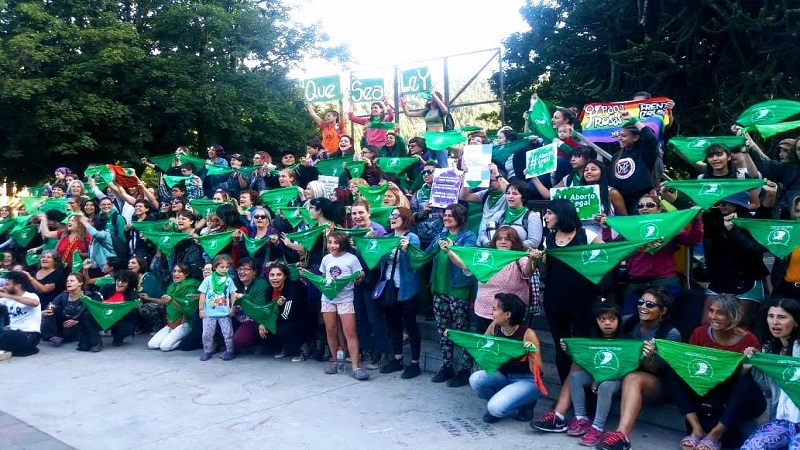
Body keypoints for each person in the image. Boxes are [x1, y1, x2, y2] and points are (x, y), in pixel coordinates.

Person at [666, 294, 764, 450]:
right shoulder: (699, 333)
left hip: (731, 390)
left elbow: (749, 380)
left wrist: (746, 366)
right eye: (711, 311)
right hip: (704, 385)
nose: (713, 316)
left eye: (720, 313)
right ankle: (696, 428)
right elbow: (690, 367)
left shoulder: (749, 340)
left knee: (745, 384)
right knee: (671, 372)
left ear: (735, 316)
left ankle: (715, 434)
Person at [593, 288, 681, 450]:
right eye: (640, 302)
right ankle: (559, 414)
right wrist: (599, 374)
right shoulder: (627, 321)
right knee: (578, 365)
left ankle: (622, 437)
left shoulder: (670, 334)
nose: (643, 307)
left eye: (650, 304)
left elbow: (659, 371)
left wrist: (647, 359)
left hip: (657, 384)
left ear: (663, 311)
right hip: (623, 374)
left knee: (634, 377)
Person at [529, 199, 603, 384]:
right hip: (556, 300)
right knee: (560, 346)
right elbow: (546, 270)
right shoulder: (548, 239)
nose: (545, 217)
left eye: (549, 213)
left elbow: (605, 258)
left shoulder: (587, 235)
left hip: (582, 300)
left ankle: (584, 392)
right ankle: (565, 389)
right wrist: (537, 260)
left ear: (561, 214)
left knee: (581, 346)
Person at [613, 192, 703, 316]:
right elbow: (614, 250)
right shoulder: (630, 227)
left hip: (664, 284)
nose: (644, 208)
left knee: (662, 322)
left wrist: (697, 220)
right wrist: (605, 228)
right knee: (627, 320)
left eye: (649, 205)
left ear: (659, 208)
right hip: (636, 284)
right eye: (640, 206)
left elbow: (693, 240)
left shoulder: (669, 225)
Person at [556, 302, 625, 446]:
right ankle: (581, 418)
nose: (607, 323)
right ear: (596, 321)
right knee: (576, 377)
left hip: (617, 378)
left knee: (605, 386)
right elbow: (586, 359)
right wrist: (569, 349)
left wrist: (600, 379)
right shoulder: (592, 339)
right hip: (596, 374)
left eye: (612, 319)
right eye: (602, 319)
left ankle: (597, 427)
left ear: (619, 320)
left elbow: (627, 366)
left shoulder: (627, 340)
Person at [468, 293, 543, 423]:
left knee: (495, 409)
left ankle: (525, 403)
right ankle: (507, 402)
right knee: (476, 379)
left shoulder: (528, 334)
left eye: (495, 309)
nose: (492, 312)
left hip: (527, 380)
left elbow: (538, 370)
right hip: (503, 376)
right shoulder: (494, 327)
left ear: (507, 314)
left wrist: (531, 352)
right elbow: (482, 348)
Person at [427, 203, 478, 387]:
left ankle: (465, 369)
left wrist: (452, 247)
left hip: (458, 290)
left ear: (460, 218)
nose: (446, 217)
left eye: (450, 215)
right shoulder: (441, 234)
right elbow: (425, 254)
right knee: (443, 330)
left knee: (461, 330)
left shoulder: (469, 236)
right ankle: (447, 366)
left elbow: (466, 260)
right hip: (439, 290)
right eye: (445, 215)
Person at [741, 297, 800, 449]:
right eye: (771, 316)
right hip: (781, 422)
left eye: (782, 317)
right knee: (751, 447)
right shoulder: (768, 349)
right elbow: (767, 389)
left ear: (796, 322)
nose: (774, 322)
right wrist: (753, 365)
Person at [313, 232, 368, 380]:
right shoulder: (326, 258)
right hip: (328, 299)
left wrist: (359, 278)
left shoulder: (352, 259)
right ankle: (335, 361)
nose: (332, 246)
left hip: (346, 299)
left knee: (350, 332)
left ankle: (356, 366)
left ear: (342, 244)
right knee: (330, 330)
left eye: (335, 243)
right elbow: (324, 279)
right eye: (330, 242)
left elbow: (358, 279)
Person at [378, 207, 422, 378]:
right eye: (391, 215)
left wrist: (407, 250)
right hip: (390, 288)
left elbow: (416, 261)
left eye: (396, 215)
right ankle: (397, 359)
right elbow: (376, 260)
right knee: (393, 325)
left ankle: (415, 363)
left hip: (407, 289)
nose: (392, 218)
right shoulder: (387, 238)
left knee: (410, 325)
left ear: (405, 218)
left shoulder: (412, 238)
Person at [610, 111, 659, 213]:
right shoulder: (616, 156)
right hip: (622, 200)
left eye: (624, 136)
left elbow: (651, 138)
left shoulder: (644, 152)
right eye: (619, 135)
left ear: (636, 137)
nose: (620, 138)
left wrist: (634, 120)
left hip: (642, 198)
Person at [264, 263, 313, 362]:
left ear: (285, 276)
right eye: (272, 275)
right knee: (262, 327)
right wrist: (262, 323)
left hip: (300, 322)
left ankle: (302, 349)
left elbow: (285, 315)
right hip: (281, 319)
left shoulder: (292, 290)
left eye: (279, 275)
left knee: (282, 328)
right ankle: (285, 348)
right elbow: (265, 310)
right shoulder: (269, 290)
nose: (275, 278)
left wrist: (276, 309)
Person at [146, 262, 201, 352]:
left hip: (185, 322)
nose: (176, 274)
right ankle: (173, 337)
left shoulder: (192, 286)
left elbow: (188, 310)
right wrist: (149, 298)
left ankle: (185, 340)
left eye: (180, 272)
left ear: (186, 274)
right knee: (152, 345)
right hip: (171, 323)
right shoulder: (172, 286)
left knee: (165, 347)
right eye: (174, 271)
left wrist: (172, 300)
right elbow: (165, 301)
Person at [43, 273, 103, 352]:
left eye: (72, 281)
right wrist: (48, 310)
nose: (68, 283)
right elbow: (51, 306)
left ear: (80, 283)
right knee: (50, 312)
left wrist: (77, 321)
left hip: (78, 324)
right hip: (64, 322)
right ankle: (53, 336)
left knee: (79, 340)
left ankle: (60, 337)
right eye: (67, 281)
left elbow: (93, 314)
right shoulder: (64, 295)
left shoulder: (89, 296)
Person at [198, 254, 241, 361]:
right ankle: (207, 351)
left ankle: (230, 351)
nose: (225, 269)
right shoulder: (208, 280)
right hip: (209, 314)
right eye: (222, 267)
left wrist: (232, 308)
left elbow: (233, 294)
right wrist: (201, 309)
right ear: (215, 267)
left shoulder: (229, 280)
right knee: (207, 334)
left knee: (228, 334)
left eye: (227, 267)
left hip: (224, 314)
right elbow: (202, 295)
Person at [478, 180, 542, 249]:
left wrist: (512, 246)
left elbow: (534, 241)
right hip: (498, 255)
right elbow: (483, 235)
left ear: (523, 197)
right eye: (508, 193)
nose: (510, 196)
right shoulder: (499, 215)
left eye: (514, 194)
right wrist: (490, 244)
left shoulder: (532, 217)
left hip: (520, 256)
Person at [401, 90, 451, 168]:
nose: (429, 98)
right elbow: (408, 113)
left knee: (442, 163)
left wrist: (434, 95)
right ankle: (429, 176)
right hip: (430, 140)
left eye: (432, 97)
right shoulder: (426, 112)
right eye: (429, 97)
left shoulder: (440, 111)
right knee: (428, 162)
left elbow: (445, 110)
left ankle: (444, 177)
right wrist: (404, 105)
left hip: (439, 139)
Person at [0, 271, 42, 361]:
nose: (4, 287)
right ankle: (5, 351)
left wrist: (6, 295)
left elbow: (34, 303)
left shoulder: (31, 296)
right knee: (7, 333)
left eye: (7, 284)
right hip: (13, 333)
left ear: (18, 286)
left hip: (30, 336)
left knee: (9, 334)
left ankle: (5, 350)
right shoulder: (6, 299)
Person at [231, 257, 268, 352]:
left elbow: (261, 307)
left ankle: (258, 343)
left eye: (246, 269)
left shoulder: (261, 284)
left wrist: (244, 297)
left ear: (254, 272)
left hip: (253, 320)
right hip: (236, 317)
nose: (242, 272)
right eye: (240, 269)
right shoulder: (234, 283)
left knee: (240, 340)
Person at [98, 269, 140, 346]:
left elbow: (131, 315)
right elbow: (95, 302)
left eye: (124, 281)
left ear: (129, 284)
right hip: (102, 316)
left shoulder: (132, 295)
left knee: (128, 326)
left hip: (120, 320)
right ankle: (96, 341)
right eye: (118, 280)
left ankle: (118, 337)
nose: (119, 283)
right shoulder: (106, 288)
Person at [128, 256, 166, 334]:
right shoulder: (132, 278)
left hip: (158, 304)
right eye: (129, 263)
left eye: (133, 263)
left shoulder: (149, 277)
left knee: (143, 308)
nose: (129, 265)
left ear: (140, 265)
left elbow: (146, 295)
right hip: (143, 302)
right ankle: (141, 326)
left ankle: (158, 326)